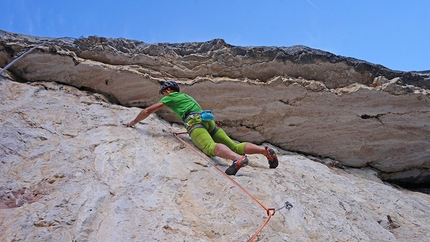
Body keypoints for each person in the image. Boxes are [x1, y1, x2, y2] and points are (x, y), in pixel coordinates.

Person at [125, 80, 278, 175]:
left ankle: (238, 160)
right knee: (234, 145)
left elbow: (147, 111)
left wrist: (133, 122)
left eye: (164, 92)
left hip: (194, 122)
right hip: (207, 120)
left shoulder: (170, 96)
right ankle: (265, 152)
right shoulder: (187, 97)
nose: (163, 95)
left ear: (168, 90)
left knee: (209, 146)